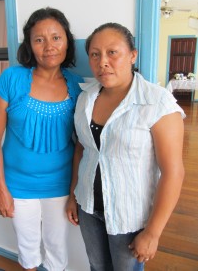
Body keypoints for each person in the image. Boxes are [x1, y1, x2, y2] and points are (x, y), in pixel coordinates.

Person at [66, 23, 185, 271]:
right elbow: (82, 149)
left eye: (113, 52)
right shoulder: (86, 98)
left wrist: (153, 232)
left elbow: (173, 172)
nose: (103, 62)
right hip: (88, 207)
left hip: (129, 214)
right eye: (95, 54)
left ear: (132, 55)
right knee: (97, 267)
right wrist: (73, 195)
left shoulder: (156, 102)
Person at [0, 7, 84, 271]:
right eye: (39, 39)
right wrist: (0, 189)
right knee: (27, 247)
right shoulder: (11, 78)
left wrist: (75, 192)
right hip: (17, 184)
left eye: (56, 37)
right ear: (29, 45)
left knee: (57, 247)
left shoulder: (76, 86)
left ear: (67, 42)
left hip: (60, 185)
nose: (49, 46)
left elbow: (81, 145)